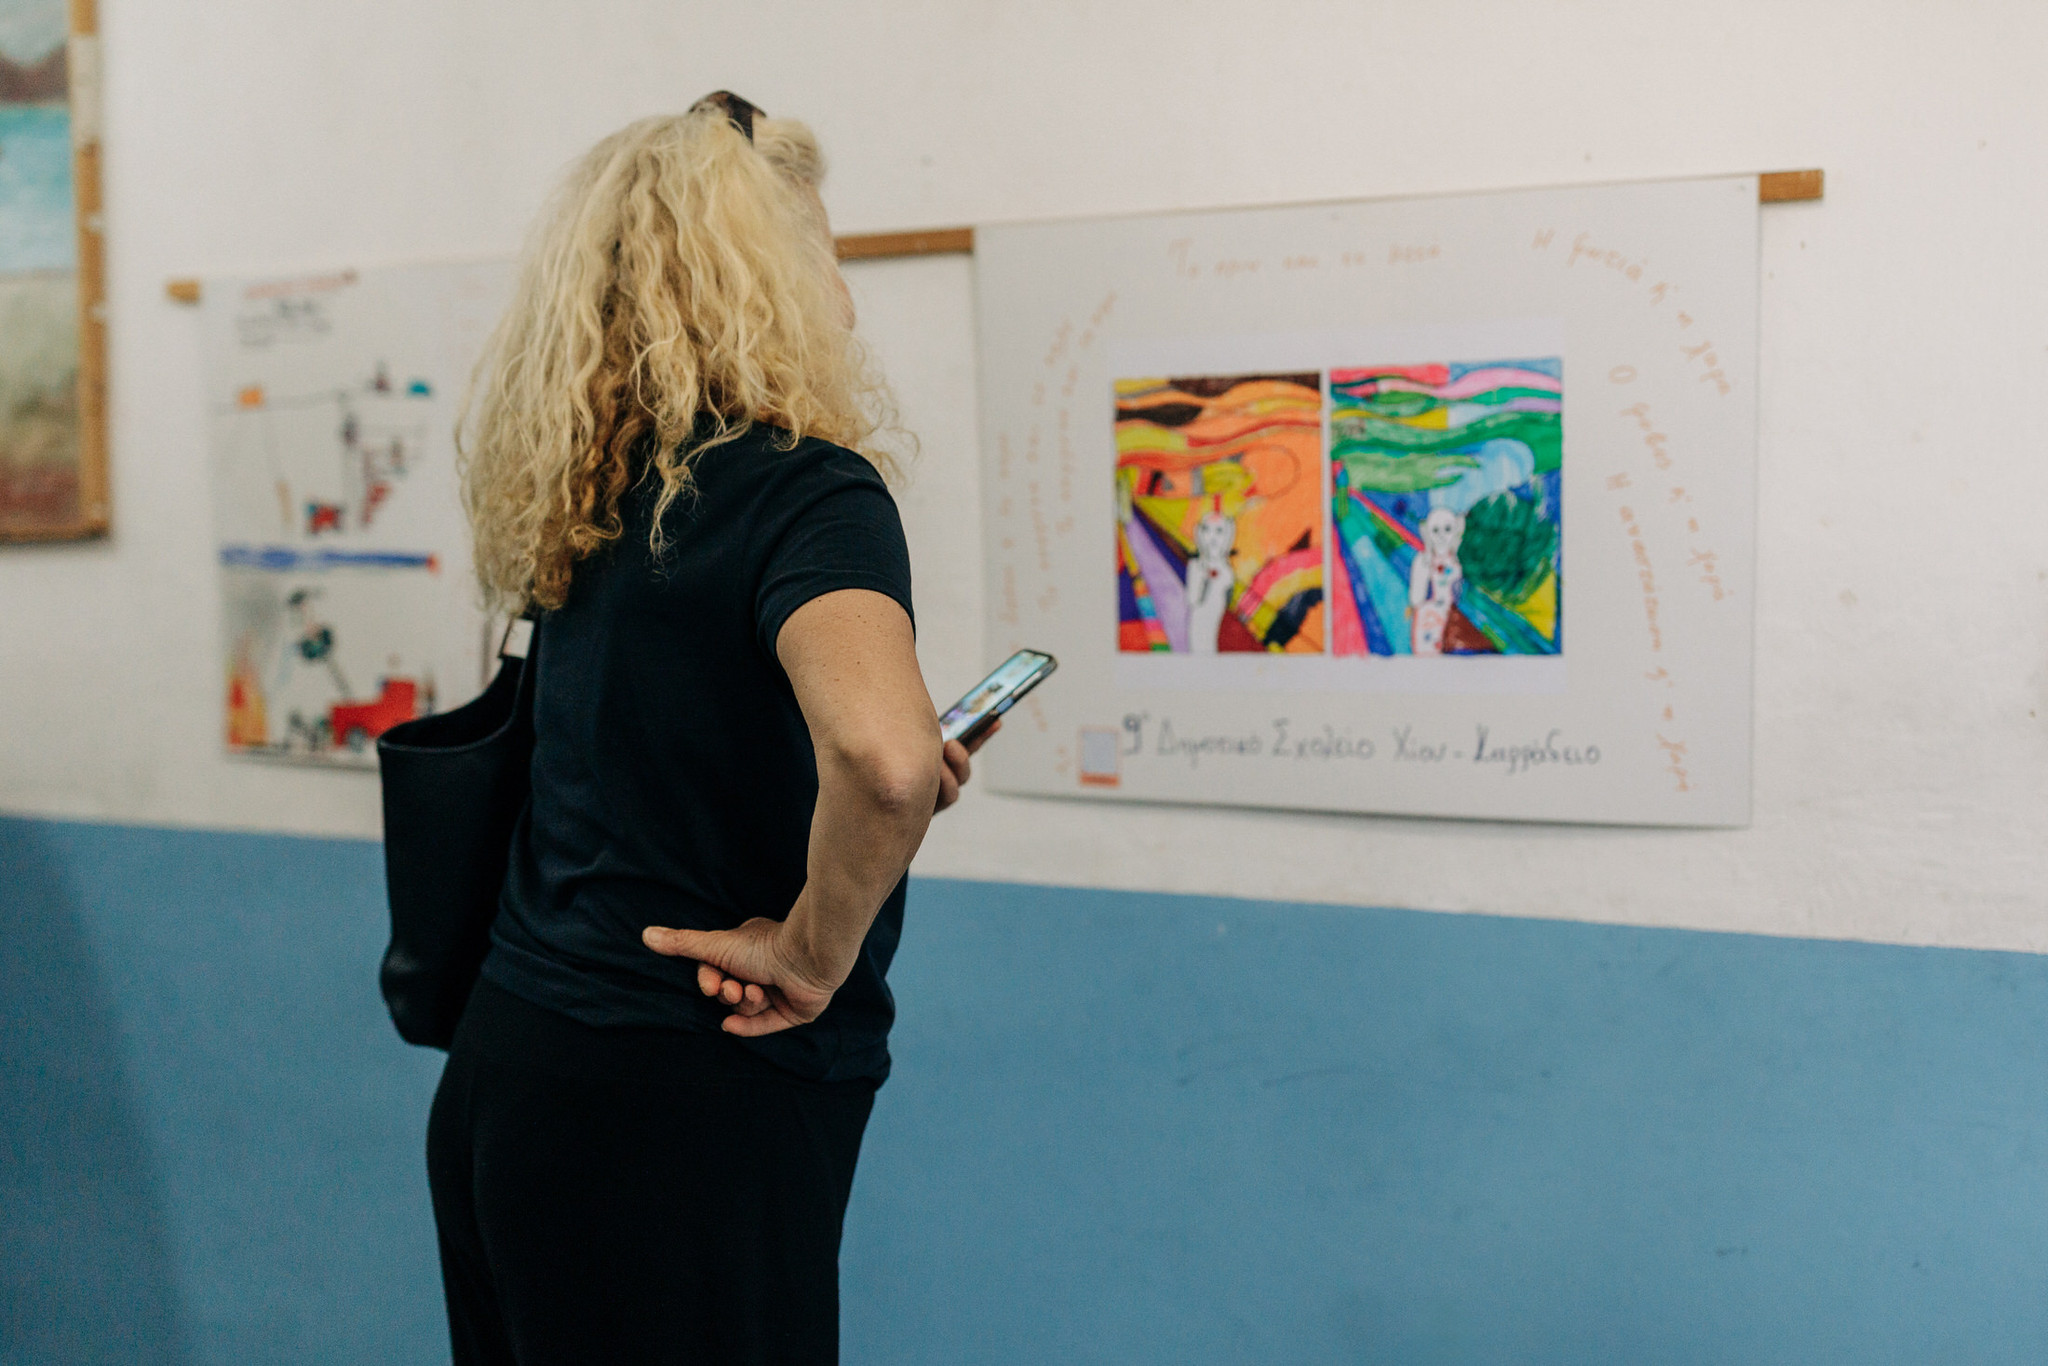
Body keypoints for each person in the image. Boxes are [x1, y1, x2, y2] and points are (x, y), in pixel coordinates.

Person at [427, 93, 991, 1365]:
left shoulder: (589, 492)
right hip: (692, 1089)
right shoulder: (808, 489)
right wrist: (809, 952)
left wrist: (883, 780)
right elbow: (883, 761)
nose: (843, 302)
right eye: (821, 257)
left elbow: (685, 752)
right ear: (767, 282)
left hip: (512, 1065)